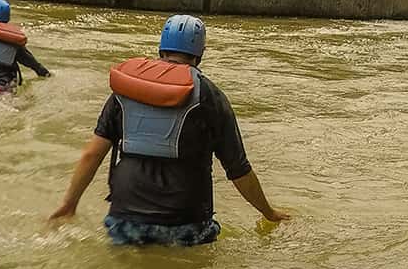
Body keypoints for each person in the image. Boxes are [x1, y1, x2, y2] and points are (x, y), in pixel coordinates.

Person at [49, 14, 288, 245]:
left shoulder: (127, 89)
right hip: (186, 224)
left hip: (125, 219)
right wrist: (269, 213)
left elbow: (92, 154)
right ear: (200, 54)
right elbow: (239, 170)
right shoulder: (210, 96)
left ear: (161, 48)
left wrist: (69, 204)